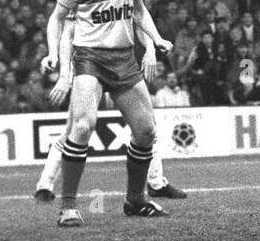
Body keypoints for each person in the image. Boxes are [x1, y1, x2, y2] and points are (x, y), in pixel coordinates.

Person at [39, 0, 175, 227]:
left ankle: (136, 200)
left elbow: (139, 11)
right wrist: (52, 53)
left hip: (124, 57)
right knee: (84, 126)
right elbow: (57, 18)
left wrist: (156, 38)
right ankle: (68, 206)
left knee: (146, 131)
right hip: (90, 58)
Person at [33, 19, 187, 202]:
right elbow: (67, 31)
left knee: (145, 127)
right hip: (89, 69)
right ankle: (45, 184)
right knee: (74, 129)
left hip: (121, 67)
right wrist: (63, 70)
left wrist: (151, 49)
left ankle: (156, 182)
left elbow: (138, 17)